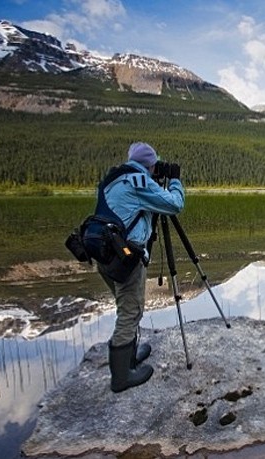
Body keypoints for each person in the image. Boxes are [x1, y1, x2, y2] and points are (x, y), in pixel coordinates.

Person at [100, 141, 185, 392]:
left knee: (127, 306)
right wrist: (176, 182)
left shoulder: (114, 178)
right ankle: (121, 378)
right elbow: (175, 205)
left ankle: (131, 357)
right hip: (126, 257)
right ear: (150, 164)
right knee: (130, 311)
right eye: (155, 165)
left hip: (104, 253)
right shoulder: (139, 181)